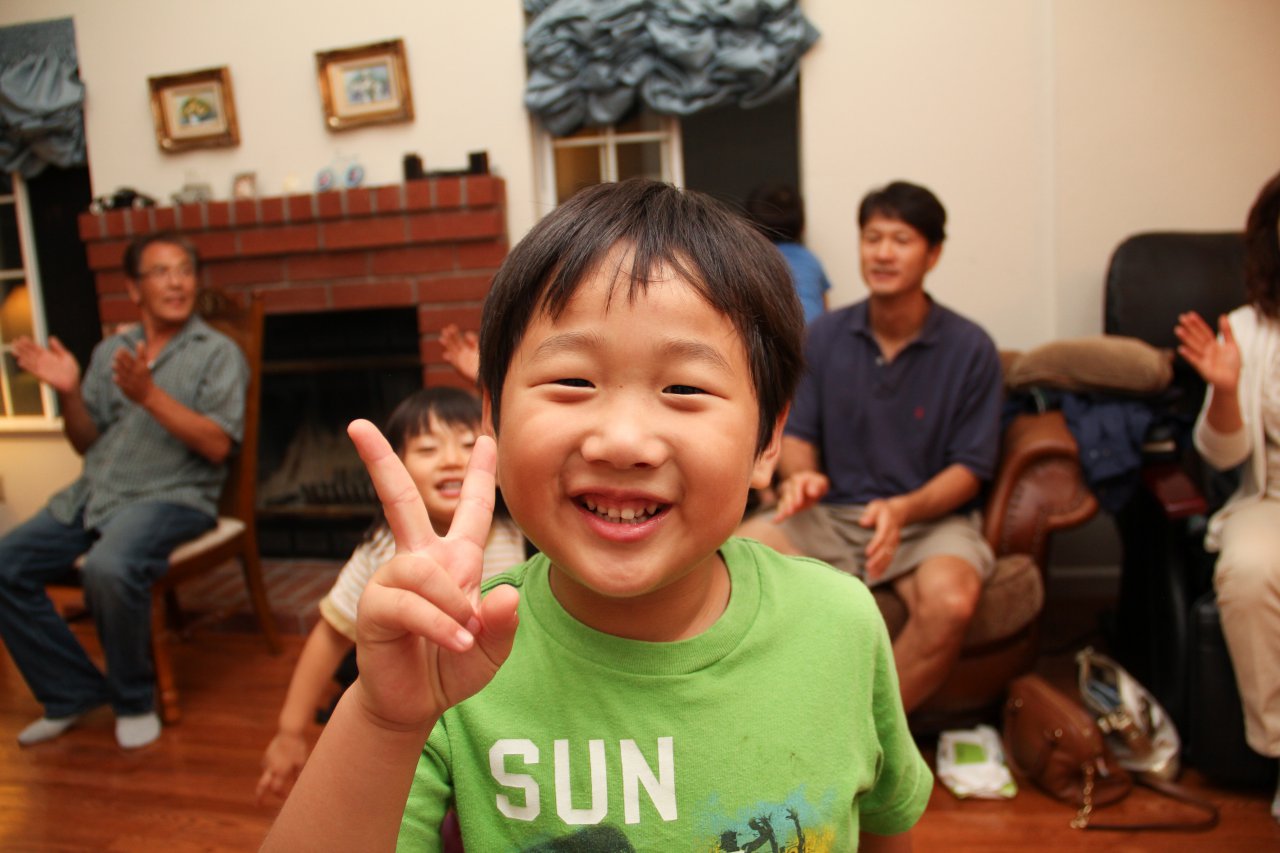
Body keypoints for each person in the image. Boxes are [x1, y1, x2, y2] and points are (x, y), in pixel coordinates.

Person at [264, 179, 930, 851]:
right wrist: (382, 722)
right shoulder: (450, 658)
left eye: (685, 387)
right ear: (493, 416)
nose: (622, 440)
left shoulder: (842, 625)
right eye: (572, 381)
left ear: (769, 440)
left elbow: (884, 827)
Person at [739, 180, 1003, 713]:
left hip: (928, 522)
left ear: (933, 254)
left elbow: (970, 469)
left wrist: (904, 510)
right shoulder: (824, 336)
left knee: (952, 601)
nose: (883, 253)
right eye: (872, 238)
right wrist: (802, 475)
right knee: (736, 561)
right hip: (832, 515)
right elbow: (798, 434)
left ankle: (866, 735)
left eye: (901, 240)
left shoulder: (970, 348)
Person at [0, 232, 248, 750]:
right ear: (134, 289)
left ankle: (134, 700)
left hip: (173, 496)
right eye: (161, 272)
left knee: (109, 568)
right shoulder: (110, 351)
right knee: (6, 564)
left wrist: (149, 395)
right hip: (92, 494)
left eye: (185, 271)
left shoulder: (218, 352)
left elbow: (218, 445)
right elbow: (84, 441)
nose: (177, 283)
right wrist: (70, 393)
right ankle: (70, 693)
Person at [256, 387, 526, 803]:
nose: (452, 459)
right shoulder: (380, 551)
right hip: (419, 734)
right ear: (398, 466)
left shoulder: (519, 530)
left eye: (469, 445)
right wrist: (290, 730)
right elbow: (330, 635)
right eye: (428, 448)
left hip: (505, 727)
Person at [1174, 167, 1280, 823]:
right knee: (1247, 571)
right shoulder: (1246, 328)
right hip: (1269, 500)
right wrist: (1222, 387)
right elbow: (1223, 455)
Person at [745, 181, 832, 324]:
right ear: (803, 227)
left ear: (750, 227)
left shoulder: (747, 262)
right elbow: (826, 311)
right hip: (815, 335)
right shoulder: (810, 260)